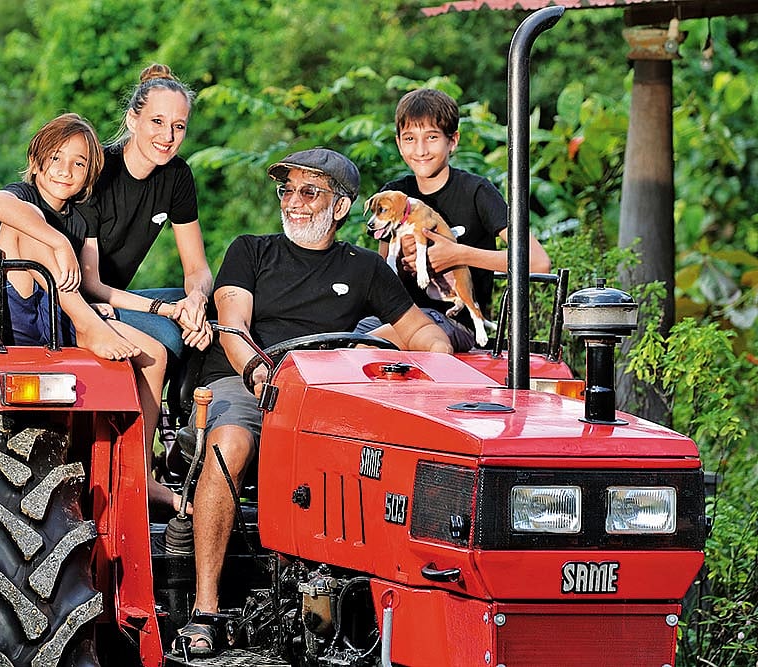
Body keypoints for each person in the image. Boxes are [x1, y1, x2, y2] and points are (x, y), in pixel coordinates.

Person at [175, 148, 452, 656]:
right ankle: (206, 609)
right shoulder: (251, 250)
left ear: (341, 207)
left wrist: (436, 372)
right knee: (230, 444)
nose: (294, 202)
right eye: (287, 191)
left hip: (330, 395)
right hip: (248, 378)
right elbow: (232, 326)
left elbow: (425, 333)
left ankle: (365, 613)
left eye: (309, 192)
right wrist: (262, 371)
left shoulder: (365, 268)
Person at [0, 112, 170, 509]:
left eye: (79, 163)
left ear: (89, 172)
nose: (65, 170)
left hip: (56, 312)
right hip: (3, 310)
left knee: (153, 355)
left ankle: (142, 474)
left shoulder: (82, 216)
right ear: (38, 160)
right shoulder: (20, 196)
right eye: (56, 158)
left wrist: (158, 308)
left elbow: (90, 282)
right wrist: (57, 243)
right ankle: (86, 323)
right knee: (30, 224)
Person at [362, 87, 551, 352]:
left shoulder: (477, 192)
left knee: (367, 346)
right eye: (409, 138)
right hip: (402, 317)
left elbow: (538, 262)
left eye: (431, 137)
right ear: (398, 143)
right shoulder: (394, 193)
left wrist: (458, 255)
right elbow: (385, 275)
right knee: (339, 340)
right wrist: (405, 262)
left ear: (453, 141)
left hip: (456, 322)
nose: (420, 149)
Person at [76, 63, 213, 363]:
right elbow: (90, 284)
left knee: (211, 313)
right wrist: (168, 311)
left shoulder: (177, 176)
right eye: (157, 122)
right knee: (169, 335)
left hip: (119, 299)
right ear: (133, 120)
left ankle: (188, 406)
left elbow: (197, 269)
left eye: (178, 126)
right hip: (83, 301)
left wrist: (196, 299)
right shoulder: (98, 171)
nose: (168, 136)